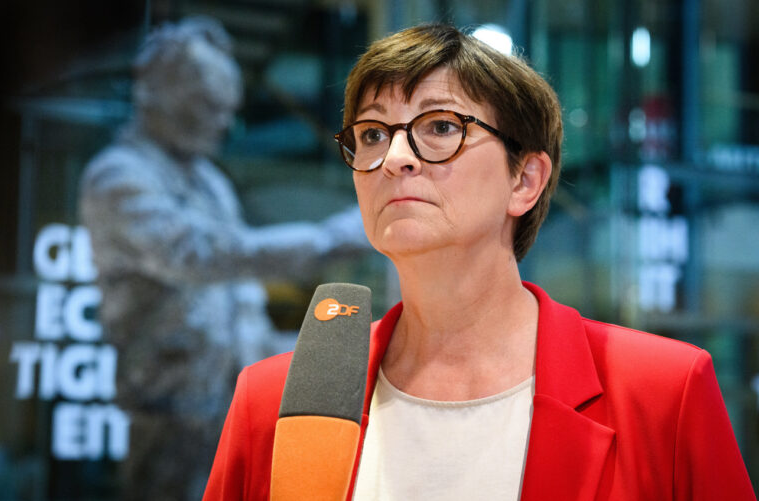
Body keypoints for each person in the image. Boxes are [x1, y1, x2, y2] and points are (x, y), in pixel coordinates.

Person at [203, 24, 755, 501]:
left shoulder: (663, 391)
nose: (394, 159)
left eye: (441, 127)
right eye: (372, 134)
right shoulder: (274, 401)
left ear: (525, 180)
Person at [79, 17, 366, 501]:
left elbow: (237, 298)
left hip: (231, 401)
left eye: (225, 109)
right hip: (173, 407)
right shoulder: (117, 178)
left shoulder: (208, 180)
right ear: (161, 97)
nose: (224, 124)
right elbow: (202, 256)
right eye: (207, 107)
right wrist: (324, 241)